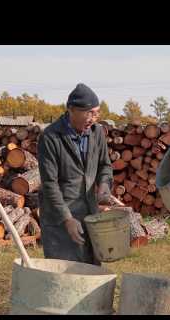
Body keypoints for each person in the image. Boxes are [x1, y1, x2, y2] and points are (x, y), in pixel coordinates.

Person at [37, 83, 113, 265]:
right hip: (59, 220)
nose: (93, 118)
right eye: (89, 113)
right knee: (64, 275)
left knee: (91, 273)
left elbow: (105, 166)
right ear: (71, 110)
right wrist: (67, 219)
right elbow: (49, 184)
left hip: (90, 217)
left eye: (96, 113)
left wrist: (104, 184)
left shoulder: (97, 133)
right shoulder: (51, 137)